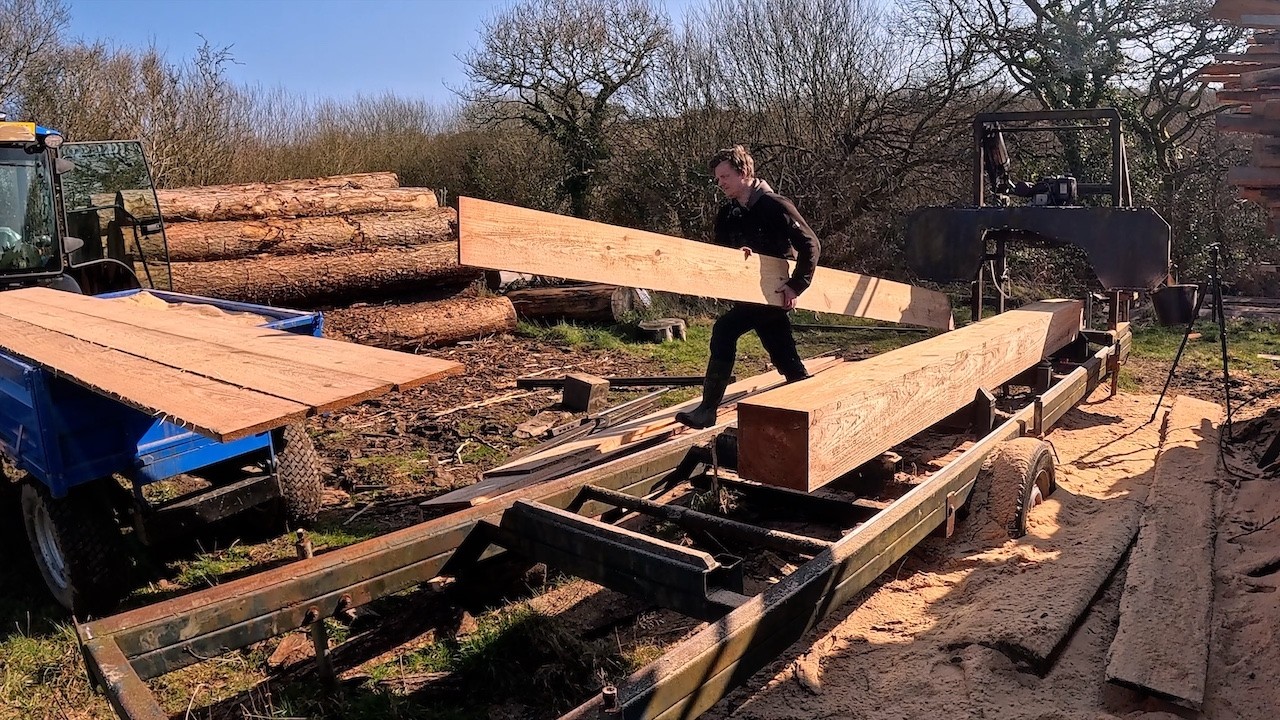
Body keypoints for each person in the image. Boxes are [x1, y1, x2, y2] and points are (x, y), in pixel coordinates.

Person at [676, 145, 820, 429]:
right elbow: (721, 251)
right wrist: (734, 258)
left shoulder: (774, 205)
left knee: (724, 330)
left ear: (744, 172)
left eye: (725, 176)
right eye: (717, 179)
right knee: (782, 352)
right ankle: (810, 404)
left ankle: (707, 409)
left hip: (772, 293)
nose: (721, 183)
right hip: (747, 294)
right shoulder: (728, 213)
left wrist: (796, 285)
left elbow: (810, 245)